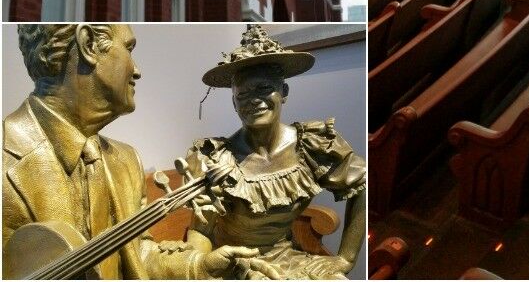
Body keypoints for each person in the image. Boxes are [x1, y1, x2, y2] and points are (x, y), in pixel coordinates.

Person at [3, 23, 279, 280]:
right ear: (88, 44)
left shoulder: (125, 160)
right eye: (129, 48)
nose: (137, 70)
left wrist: (201, 265)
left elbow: (138, 257)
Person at [184, 26, 366, 280]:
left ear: (284, 93)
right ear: (234, 103)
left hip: (287, 258)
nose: (253, 100)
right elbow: (201, 231)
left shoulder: (312, 146)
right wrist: (196, 265)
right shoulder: (214, 158)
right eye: (243, 94)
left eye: (263, 88)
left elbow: (361, 183)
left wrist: (346, 257)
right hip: (231, 263)